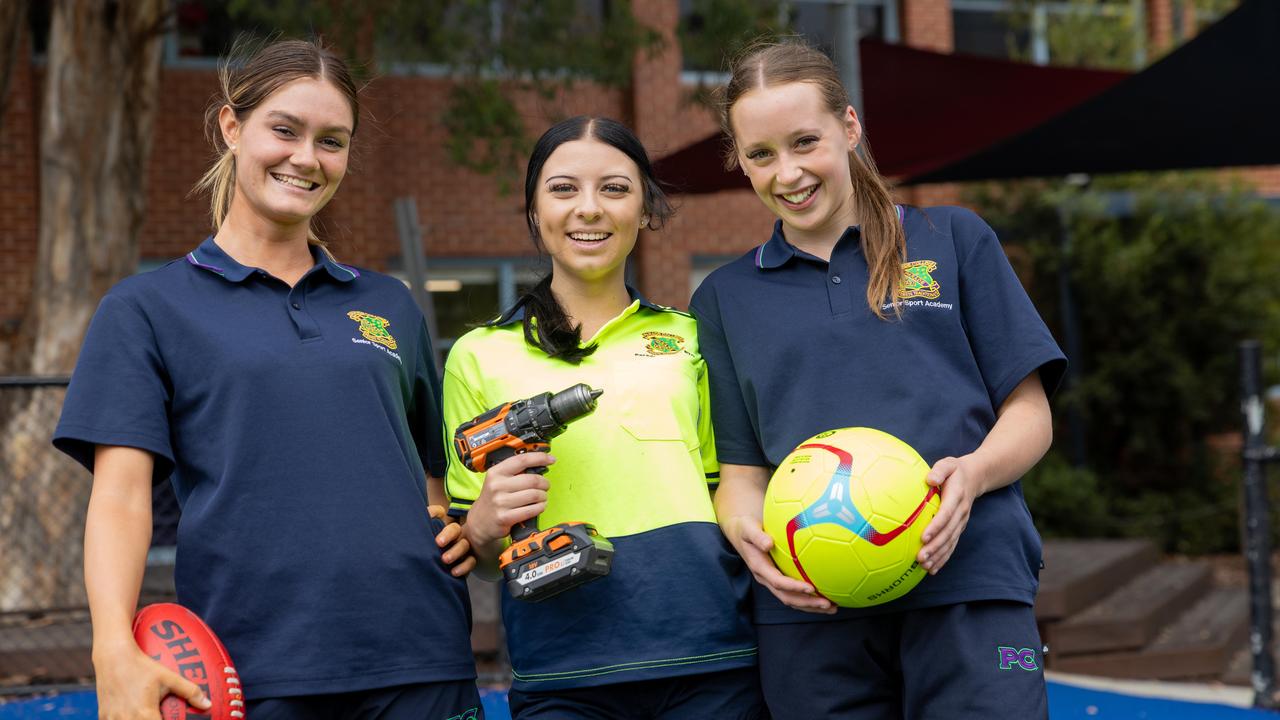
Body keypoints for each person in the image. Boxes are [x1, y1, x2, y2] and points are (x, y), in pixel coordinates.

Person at [54, 39, 484, 720]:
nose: (306, 158)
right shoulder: (146, 308)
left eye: (331, 140)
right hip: (251, 667)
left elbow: (431, 478)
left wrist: (455, 527)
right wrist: (112, 649)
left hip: (419, 657)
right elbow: (121, 499)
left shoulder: (389, 304)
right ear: (232, 127)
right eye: (284, 129)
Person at [689, 40, 1067, 720]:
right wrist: (747, 534)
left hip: (971, 581)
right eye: (761, 154)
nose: (789, 172)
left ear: (850, 127)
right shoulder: (723, 298)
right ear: (739, 160)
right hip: (810, 609)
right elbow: (740, 474)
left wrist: (974, 475)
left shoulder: (952, 239)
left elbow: (1030, 412)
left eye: (806, 141)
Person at [442, 116, 763, 719]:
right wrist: (483, 525)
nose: (588, 209)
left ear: (645, 209)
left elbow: (730, 490)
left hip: (710, 659)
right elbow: (480, 556)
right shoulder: (477, 355)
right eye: (563, 189)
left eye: (614, 188)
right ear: (534, 212)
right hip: (562, 670)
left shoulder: (690, 338)